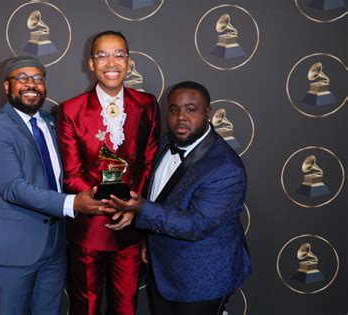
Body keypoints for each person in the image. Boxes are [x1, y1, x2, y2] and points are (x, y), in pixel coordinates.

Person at [102, 81, 251, 315]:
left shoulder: (226, 168)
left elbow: (195, 225)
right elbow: (161, 198)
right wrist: (144, 235)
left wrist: (141, 208)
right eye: (174, 109)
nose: (181, 117)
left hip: (203, 280)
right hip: (163, 270)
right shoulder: (164, 143)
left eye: (191, 109)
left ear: (208, 112)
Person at [0, 56, 103, 315]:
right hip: (15, 250)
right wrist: (73, 203)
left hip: (56, 246)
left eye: (38, 79)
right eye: (21, 78)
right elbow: (14, 188)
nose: (31, 84)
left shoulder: (53, 122)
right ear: (6, 86)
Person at [56, 30, 161, 314]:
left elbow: (149, 163)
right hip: (89, 227)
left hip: (130, 227)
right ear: (91, 63)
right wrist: (106, 205)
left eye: (119, 54)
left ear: (129, 62)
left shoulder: (148, 105)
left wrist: (134, 208)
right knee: (86, 307)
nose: (111, 62)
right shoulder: (70, 111)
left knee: (126, 307)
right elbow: (71, 174)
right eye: (102, 55)